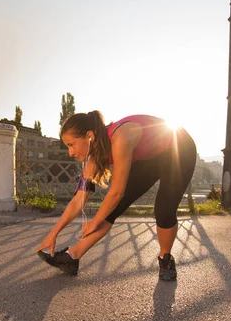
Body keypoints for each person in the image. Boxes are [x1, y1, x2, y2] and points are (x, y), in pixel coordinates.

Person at [36, 111, 196, 280]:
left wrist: (95, 222)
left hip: (179, 148)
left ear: (89, 136)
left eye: (71, 144)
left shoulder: (120, 137)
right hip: (150, 158)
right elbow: (78, 201)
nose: (70, 152)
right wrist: (53, 233)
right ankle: (72, 257)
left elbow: (117, 192)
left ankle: (166, 259)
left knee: (164, 210)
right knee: (110, 210)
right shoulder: (93, 161)